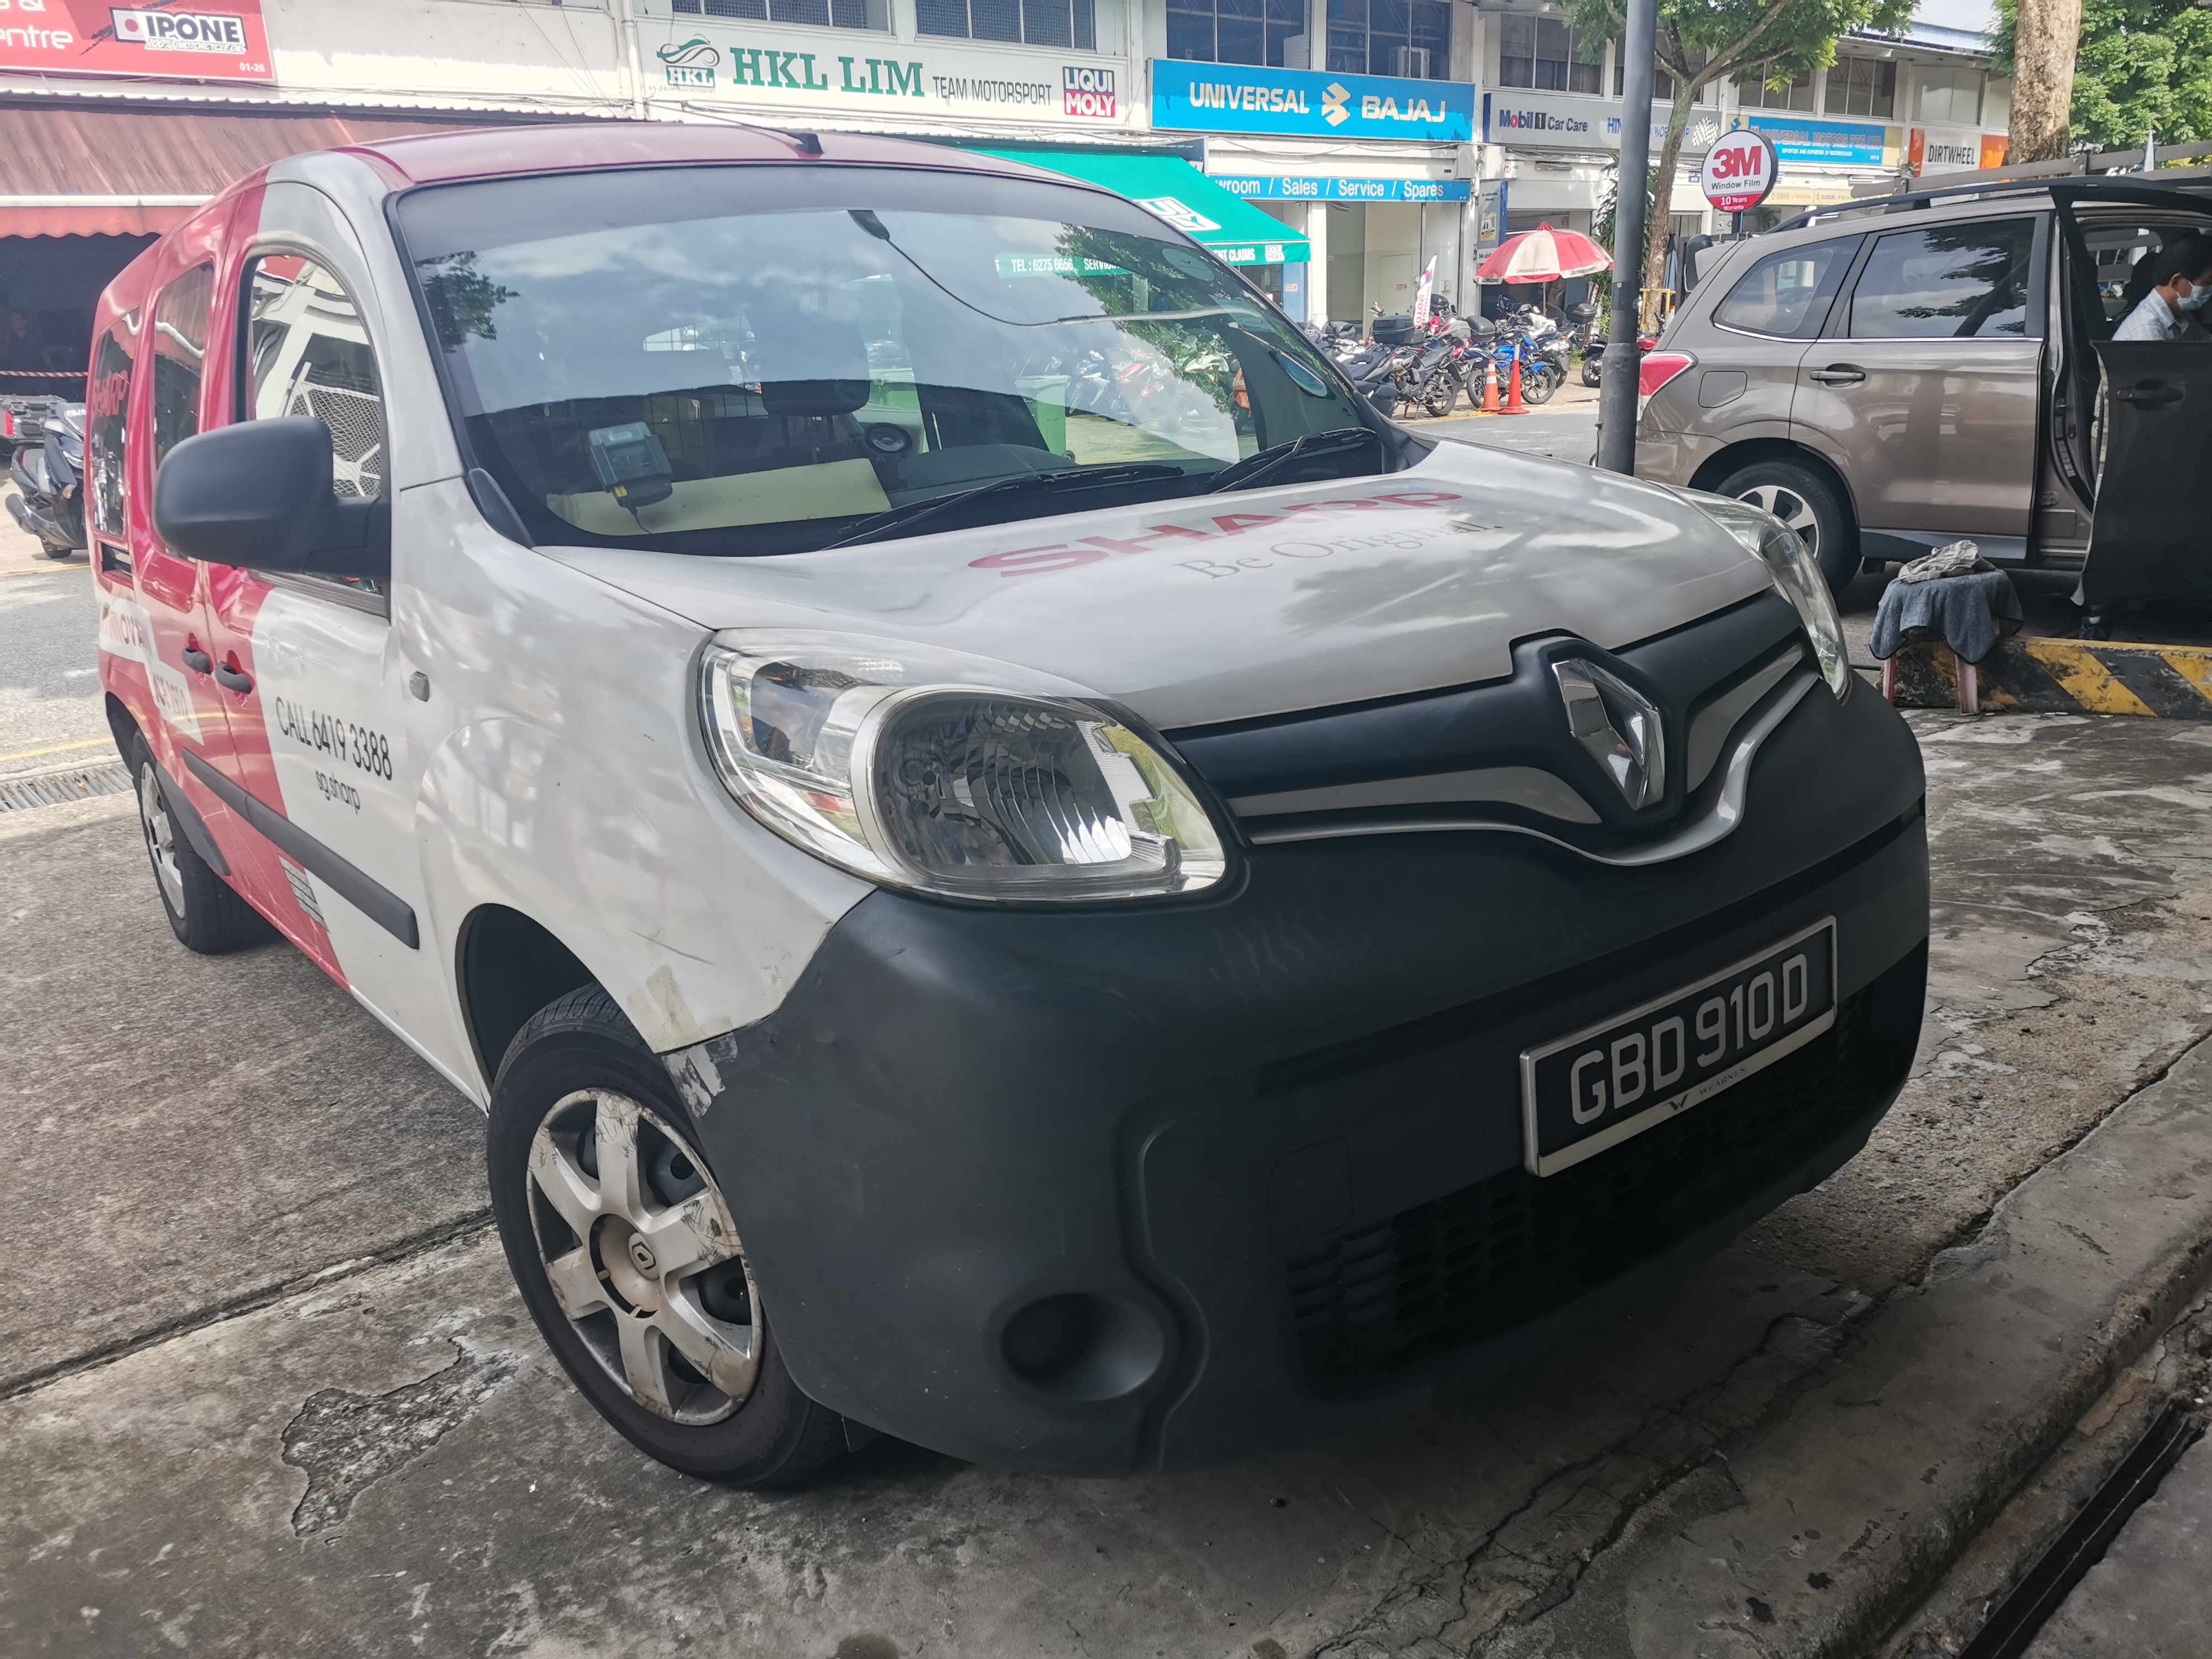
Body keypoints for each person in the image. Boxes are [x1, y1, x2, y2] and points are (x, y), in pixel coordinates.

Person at [2112, 233, 2212, 342]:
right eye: (2207, 283)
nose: (2210, 289)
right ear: (2176, 282)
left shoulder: (2181, 316)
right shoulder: (2147, 334)